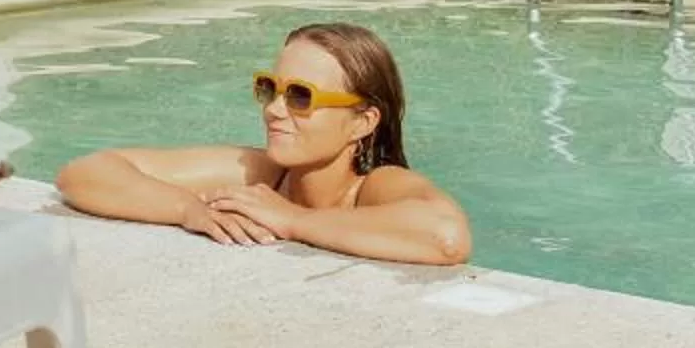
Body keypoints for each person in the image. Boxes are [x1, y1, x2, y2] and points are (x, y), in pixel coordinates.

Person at [55, 21, 472, 267]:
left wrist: (291, 220)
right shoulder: (262, 175)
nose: (274, 109)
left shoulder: (374, 188)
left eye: (300, 96)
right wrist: (188, 209)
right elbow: (83, 172)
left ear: (362, 122)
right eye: (270, 88)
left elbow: (446, 235)